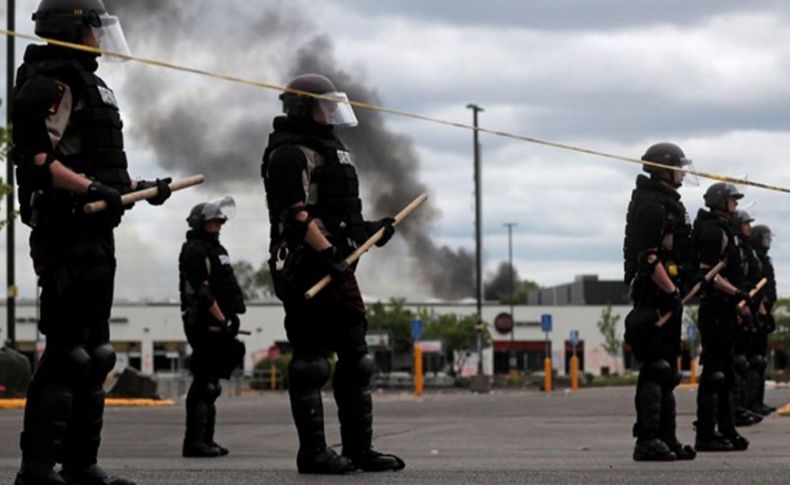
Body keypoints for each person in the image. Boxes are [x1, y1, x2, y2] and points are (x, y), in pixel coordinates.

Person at [11, 1, 172, 484]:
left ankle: (82, 465)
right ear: (72, 28)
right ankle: (37, 471)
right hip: (63, 230)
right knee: (66, 354)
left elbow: (96, 166)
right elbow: (38, 160)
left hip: (97, 233)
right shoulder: (48, 83)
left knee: (98, 354)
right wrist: (90, 190)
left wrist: (138, 189)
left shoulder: (91, 84)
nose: (100, 39)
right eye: (94, 29)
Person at [261, 73, 405, 474]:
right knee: (311, 362)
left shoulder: (331, 149)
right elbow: (295, 214)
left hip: (337, 267)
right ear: (305, 108)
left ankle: (360, 449)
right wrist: (327, 254)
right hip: (308, 267)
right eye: (325, 105)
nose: (331, 113)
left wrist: (371, 230)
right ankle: (314, 453)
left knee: (356, 360)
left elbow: (339, 215)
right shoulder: (288, 153)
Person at [623, 142, 697, 461]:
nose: (683, 172)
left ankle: (667, 438)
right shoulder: (652, 205)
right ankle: (647, 440)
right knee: (656, 367)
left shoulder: (667, 203)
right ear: (663, 169)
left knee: (669, 373)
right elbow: (648, 258)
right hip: (653, 293)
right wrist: (670, 293)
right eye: (678, 166)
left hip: (668, 292)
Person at [179, 197, 246, 458]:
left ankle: (206, 441)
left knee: (212, 384)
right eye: (213, 222)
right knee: (204, 383)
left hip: (220, 321)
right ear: (200, 224)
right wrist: (222, 319)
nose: (218, 226)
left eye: (220, 222)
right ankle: (195, 443)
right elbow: (203, 293)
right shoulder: (195, 250)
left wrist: (231, 319)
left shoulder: (216, 248)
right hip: (205, 323)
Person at [692, 183, 751, 452]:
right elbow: (709, 274)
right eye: (732, 201)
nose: (736, 206)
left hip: (726, 308)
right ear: (720, 202)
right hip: (715, 307)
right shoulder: (713, 231)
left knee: (725, 374)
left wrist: (739, 302)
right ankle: (705, 433)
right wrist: (736, 292)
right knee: (714, 374)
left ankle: (726, 429)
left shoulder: (726, 229)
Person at [730, 210, 763, 427]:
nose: (749, 227)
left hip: (746, 306)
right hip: (733, 308)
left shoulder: (746, 250)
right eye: (745, 223)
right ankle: (733, 411)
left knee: (750, 362)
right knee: (735, 364)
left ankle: (743, 407)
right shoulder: (733, 246)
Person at [747, 224, 777, 416]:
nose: (769, 241)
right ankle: (751, 402)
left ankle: (758, 400)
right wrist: (761, 309)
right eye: (766, 237)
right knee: (754, 360)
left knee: (760, 361)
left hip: (765, 311)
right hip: (758, 311)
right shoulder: (755, 258)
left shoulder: (763, 258)